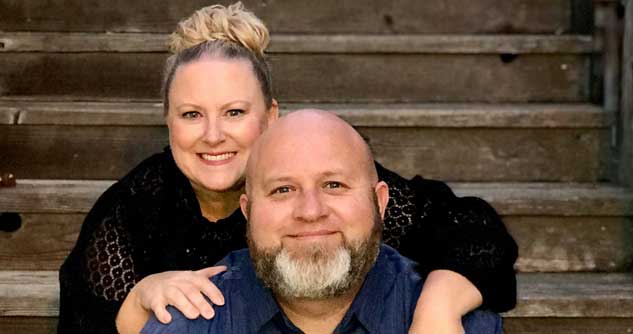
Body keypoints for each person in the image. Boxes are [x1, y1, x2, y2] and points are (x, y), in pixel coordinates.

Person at [57, 3, 517, 334]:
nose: (213, 135)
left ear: (272, 117)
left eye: (234, 112)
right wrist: (139, 298)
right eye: (192, 114)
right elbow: (83, 318)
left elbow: (475, 234)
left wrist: (438, 307)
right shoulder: (132, 209)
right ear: (168, 122)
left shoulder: (324, 187)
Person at [129, 109, 503, 334]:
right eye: (282, 190)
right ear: (247, 211)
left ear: (381, 202)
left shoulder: (458, 327)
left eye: (334, 185)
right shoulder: (191, 324)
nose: (310, 211)